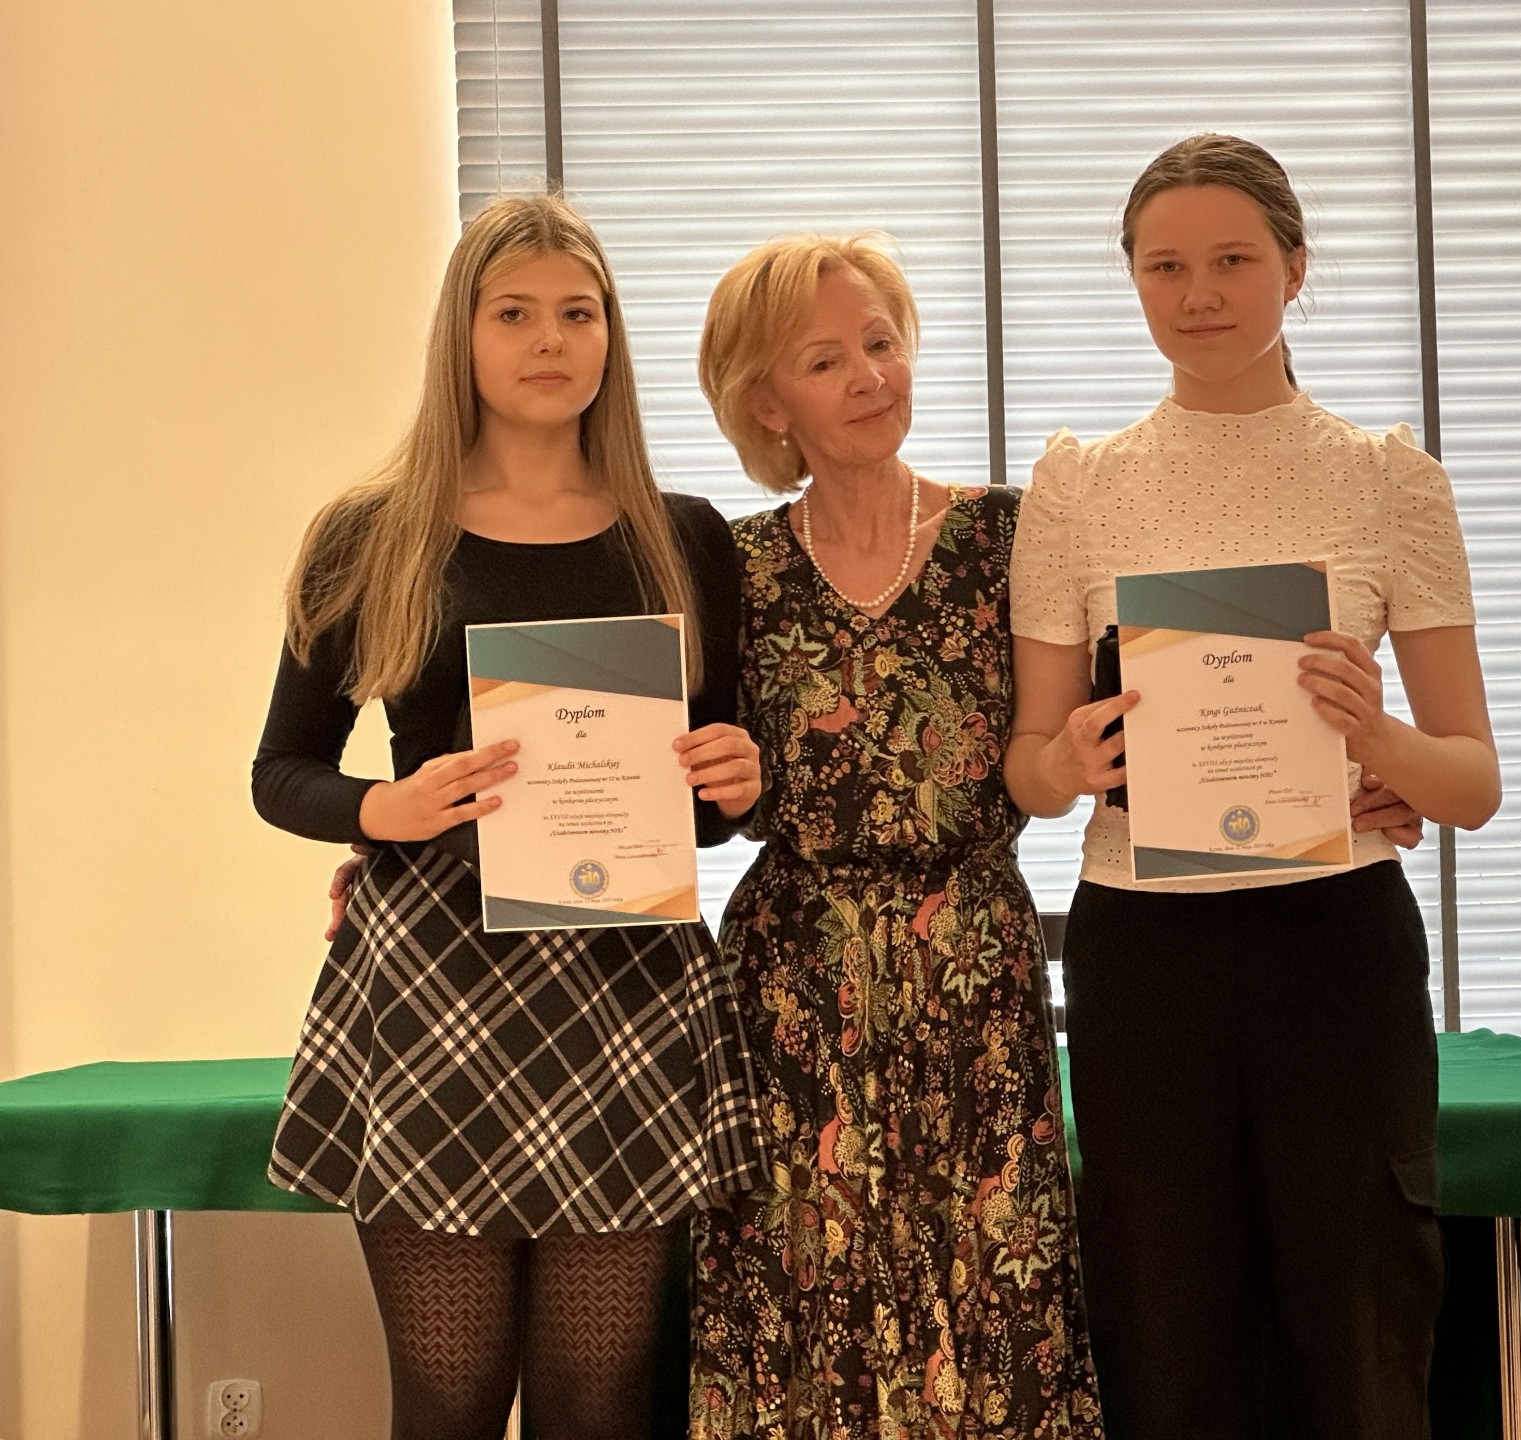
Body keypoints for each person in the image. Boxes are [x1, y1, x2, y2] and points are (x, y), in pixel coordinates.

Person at [1004, 134, 1502, 1440]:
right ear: (1133, 280)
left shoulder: (1388, 480)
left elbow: (1471, 782)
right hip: (1144, 949)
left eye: (1232, 260)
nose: (1200, 294)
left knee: (1358, 1325)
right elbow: (1030, 769)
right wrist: (1070, 761)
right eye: (1165, 267)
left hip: (1335, 942)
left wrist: (1375, 738)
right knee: (1165, 1328)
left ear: (1295, 267)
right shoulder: (1077, 486)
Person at [252, 194, 767, 1440]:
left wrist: (741, 785)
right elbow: (282, 771)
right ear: (463, 336)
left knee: (600, 1402)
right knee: (450, 1396)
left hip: (627, 989)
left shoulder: (685, 538)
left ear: (611, 336)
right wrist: (386, 806)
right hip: (434, 990)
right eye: (515, 314)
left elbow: (705, 817)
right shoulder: (370, 536)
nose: (550, 341)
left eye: (578, 313)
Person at [686, 233, 1103, 1438]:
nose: (870, 376)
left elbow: (1106, 738)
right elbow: (687, 790)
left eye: (882, 342)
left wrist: (1341, 782)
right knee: (802, 1300)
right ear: (768, 402)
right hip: (791, 989)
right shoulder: (731, 564)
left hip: (972, 976)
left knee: (991, 1296)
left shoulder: (1009, 535)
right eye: (826, 360)